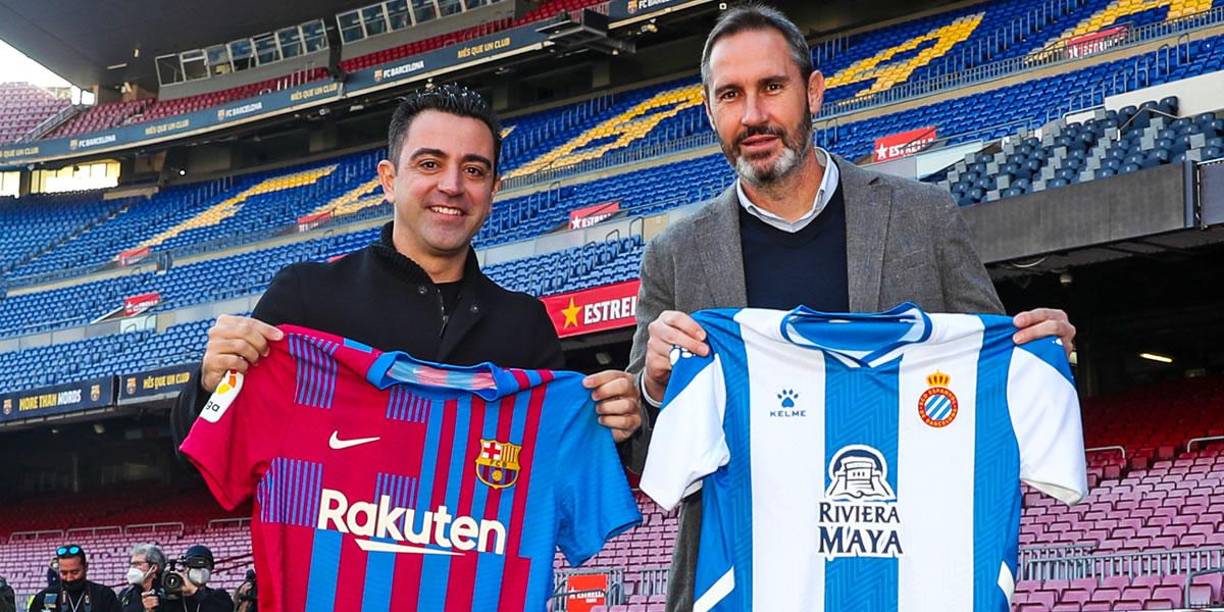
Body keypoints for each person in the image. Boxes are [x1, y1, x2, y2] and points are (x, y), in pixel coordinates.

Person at [626, 5, 1077, 611]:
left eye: (772, 87)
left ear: (813, 91)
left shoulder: (925, 217)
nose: (754, 114)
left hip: (896, 579)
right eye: (731, 95)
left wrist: (1042, 353)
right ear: (710, 111)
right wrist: (655, 386)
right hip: (748, 583)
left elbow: (985, 376)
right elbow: (646, 453)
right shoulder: (675, 255)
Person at [170, 83, 639, 449]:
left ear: (494, 191)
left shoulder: (525, 326)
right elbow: (201, 449)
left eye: (474, 170)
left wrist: (610, 426)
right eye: (430, 164)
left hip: (470, 574)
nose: (453, 186)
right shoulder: (306, 298)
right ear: (389, 180)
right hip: (330, 574)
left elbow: (553, 474)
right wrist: (212, 383)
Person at [27, 546, 120, 612]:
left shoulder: (104, 595)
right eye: (64, 573)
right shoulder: (43, 598)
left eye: (75, 572)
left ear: (86, 567)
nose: (69, 578)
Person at [139, 547, 231, 612]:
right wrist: (149, 610)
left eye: (204, 566)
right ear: (185, 568)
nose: (199, 570)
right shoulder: (170, 599)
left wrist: (192, 590)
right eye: (194, 565)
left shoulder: (220, 597)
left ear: (211, 569)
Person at [118, 544, 165, 612]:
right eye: (132, 564)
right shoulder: (125, 595)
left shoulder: (167, 595)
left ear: (154, 568)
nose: (133, 568)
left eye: (138, 564)